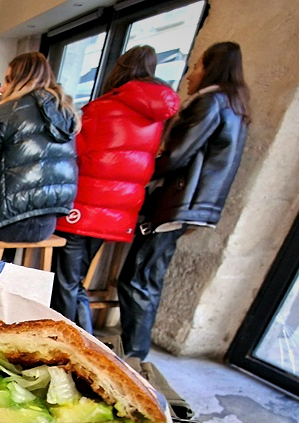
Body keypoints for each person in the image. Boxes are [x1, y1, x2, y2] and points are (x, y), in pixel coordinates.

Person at [117, 41, 251, 359]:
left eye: (197, 66)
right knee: (144, 276)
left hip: (176, 201)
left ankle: (133, 355)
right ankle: (133, 350)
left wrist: (142, 169)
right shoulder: (234, 105)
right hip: (193, 204)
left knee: (138, 278)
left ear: (211, 68)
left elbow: (177, 155)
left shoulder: (210, 102)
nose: (191, 74)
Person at [50, 46, 180, 333]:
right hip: (120, 213)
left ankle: (78, 345)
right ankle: (88, 342)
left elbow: (76, 156)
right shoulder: (157, 119)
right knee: (76, 282)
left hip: (82, 206)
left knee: (66, 283)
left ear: (119, 70)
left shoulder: (101, 109)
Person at [0, 52, 79, 260]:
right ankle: (9, 283)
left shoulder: (9, 110)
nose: (2, 87)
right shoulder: (66, 113)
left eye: (8, 80)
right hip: (47, 223)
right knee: (6, 234)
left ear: (20, 81)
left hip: (7, 224)